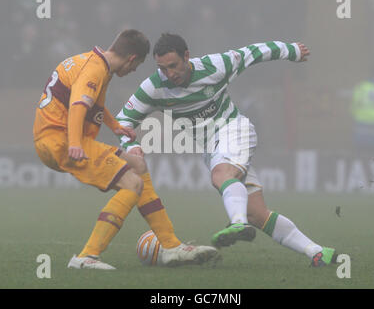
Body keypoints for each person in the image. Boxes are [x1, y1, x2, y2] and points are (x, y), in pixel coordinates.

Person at [116, 33, 338, 267]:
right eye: (163, 68)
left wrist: (290, 51)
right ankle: (318, 252)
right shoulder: (154, 87)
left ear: (187, 57)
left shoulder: (215, 66)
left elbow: (251, 53)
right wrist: (132, 146)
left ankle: (237, 223)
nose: (170, 73)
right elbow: (123, 120)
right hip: (212, 148)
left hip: (235, 129)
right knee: (257, 214)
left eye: (174, 65)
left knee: (220, 176)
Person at [33, 29, 219, 270]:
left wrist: (115, 126)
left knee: (137, 164)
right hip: (62, 141)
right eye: (137, 65)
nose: (133, 71)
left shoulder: (89, 61)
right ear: (132, 59)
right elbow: (79, 105)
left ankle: (171, 246)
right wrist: (76, 144)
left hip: (57, 138)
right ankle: (86, 257)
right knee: (133, 184)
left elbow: (88, 102)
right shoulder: (95, 70)